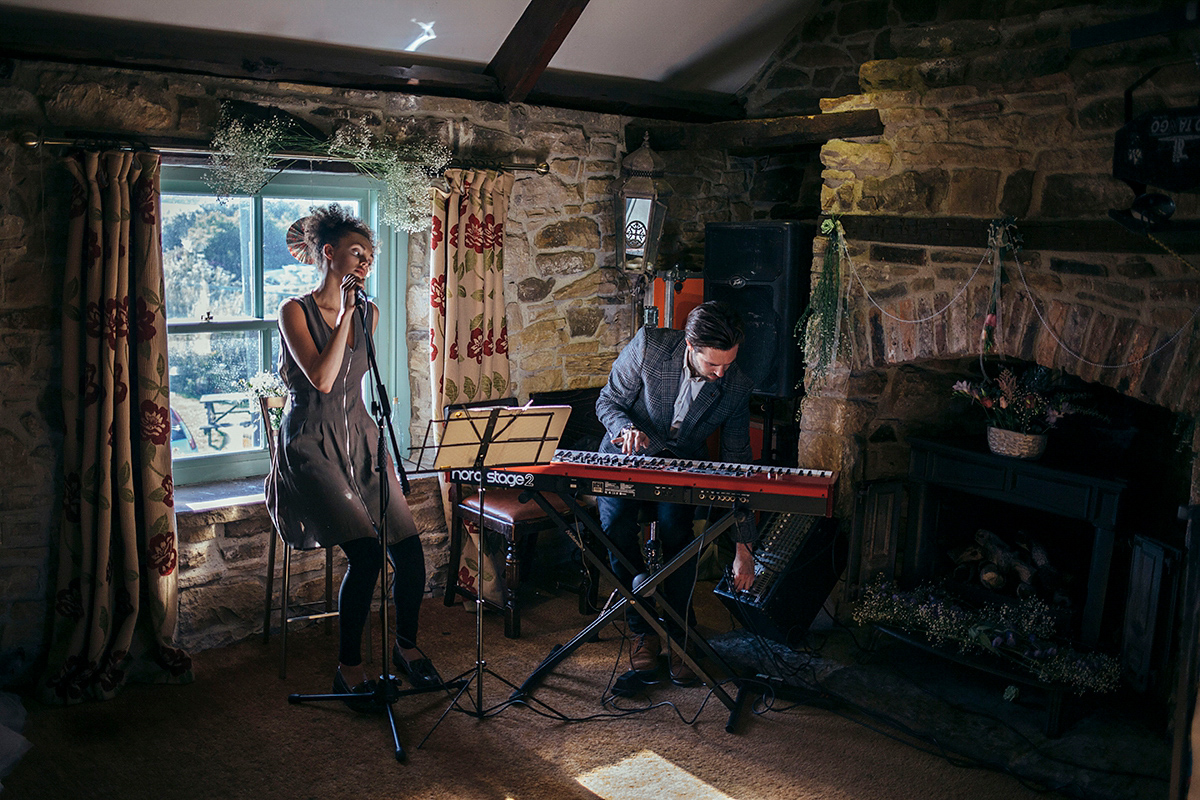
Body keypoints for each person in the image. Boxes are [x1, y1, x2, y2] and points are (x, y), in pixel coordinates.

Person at [265, 204, 438, 710]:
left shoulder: (372, 311)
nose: (364, 263)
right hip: (310, 445)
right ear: (328, 254)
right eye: (355, 253)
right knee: (366, 555)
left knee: (408, 548)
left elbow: (359, 380)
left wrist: (356, 312)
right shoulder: (292, 310)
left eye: (369, 256)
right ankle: (349, 669)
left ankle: (406, 646)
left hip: (362, 440)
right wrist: (342, 314)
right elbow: (321, 378)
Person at [595, 300, 758, 685]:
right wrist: (623, 430)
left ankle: (682, 634)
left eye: (728, 363)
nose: (721, 373)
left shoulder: (736, 387)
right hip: (625, 457)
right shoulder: (650, 347)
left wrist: (743, 547)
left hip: (680, 467)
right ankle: (643, 631)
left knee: (678, 537)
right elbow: (608, 401)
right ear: (689, 344)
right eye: (712, 364)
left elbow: (738, 466)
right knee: (615, 528)